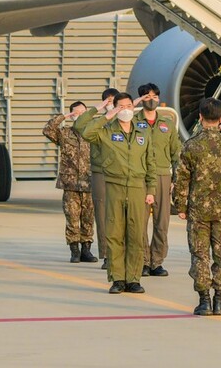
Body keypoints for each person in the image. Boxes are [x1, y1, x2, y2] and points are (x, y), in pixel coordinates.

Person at [173, 98, 221, 316]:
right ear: (220, 118)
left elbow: (182, 178)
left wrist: (181, 205)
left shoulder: (191, 145)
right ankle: (220, 301)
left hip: (199, 210)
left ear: (200, 117)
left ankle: (204, 301)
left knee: (200, 255)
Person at [79, 93, 156, 294]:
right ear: (114, 109)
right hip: (114, 186)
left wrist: (151, 190)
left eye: (129, 105)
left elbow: (151, 163)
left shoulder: (143, 132)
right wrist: (106, 114)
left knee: (136, 234)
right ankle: (117, 278)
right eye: (121, 107)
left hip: (138, 187)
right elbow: (85, 131)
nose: (126, 110)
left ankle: (133, 278)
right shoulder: (105, 131)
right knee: (114, 234)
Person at [43, 101, 97, 264]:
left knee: (88, 218)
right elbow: (47, 130)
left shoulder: (94, 133)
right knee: (72, 217)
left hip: (90, 182)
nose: (80, 114)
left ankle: (86, 249)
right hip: (71, 183)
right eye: (76, 112)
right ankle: (74, 250)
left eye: (83, 112)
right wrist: (63, 117)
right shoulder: (65, 133)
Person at [135, 83, 181, 277]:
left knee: (161, 222)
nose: (151, 99)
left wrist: (176, 178)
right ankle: (143, 261)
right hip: (140, 176)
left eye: (154, 95)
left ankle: (157, 261)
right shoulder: (134, 122)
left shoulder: (167, 124)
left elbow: (175, 153)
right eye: (146, 96)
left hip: (163, 175)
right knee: (140, 222)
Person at [73, 87, 120, 269]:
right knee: (102, 215)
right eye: (108, 101)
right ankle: (107, 254)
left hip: (122, 172)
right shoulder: (98, 123)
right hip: (101, 171)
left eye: (113, 101)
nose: (112, 105)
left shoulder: (127, 120)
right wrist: (98, 109)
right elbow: (78, 126)